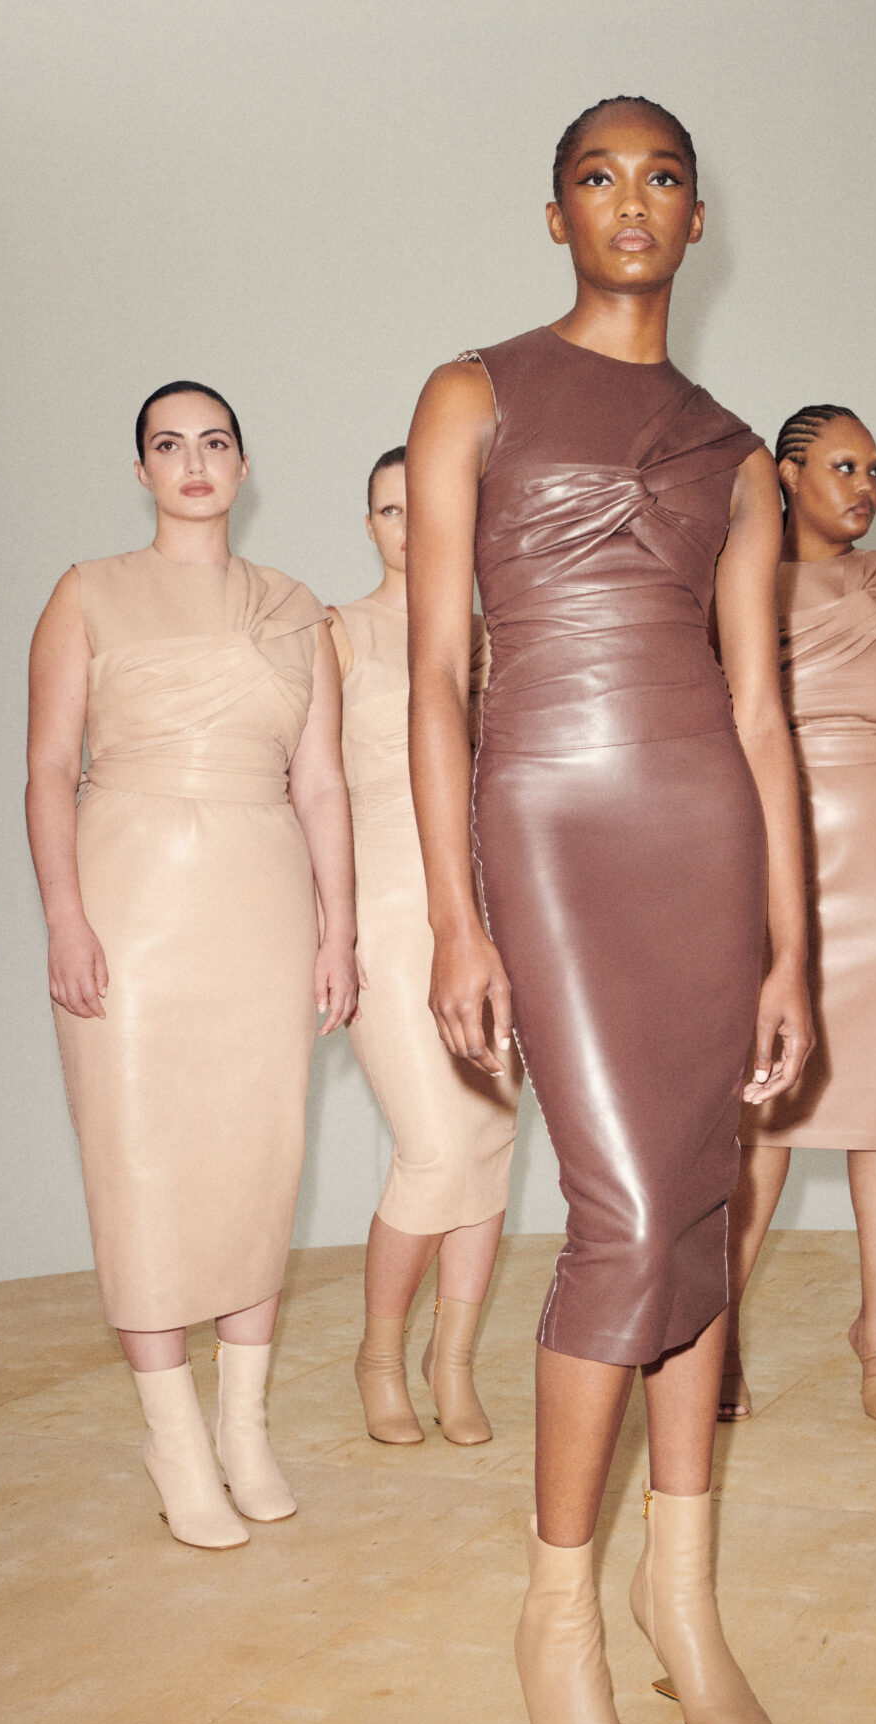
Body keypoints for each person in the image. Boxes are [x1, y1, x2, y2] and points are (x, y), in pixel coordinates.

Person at [404, 97, 812, 1724]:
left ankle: (681, 1599)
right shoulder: (473, 393)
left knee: (699, 1210)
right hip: (550, 824)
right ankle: (557, 1618)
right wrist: (452, 911)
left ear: (698, 219)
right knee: (625, 1219)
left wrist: (791, 955)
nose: (630, 201)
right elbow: (439, 673)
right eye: (598, 176)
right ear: (554, 212)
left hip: (704, 825)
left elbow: (762, 715)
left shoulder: (740, 452)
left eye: (661, 178)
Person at [26, 381, 359, 1551]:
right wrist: (65, 918)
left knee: (259, 1156)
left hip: (260, 899)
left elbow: (321, 784)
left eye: (214, 442)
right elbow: (47, 767)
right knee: (140, 1164)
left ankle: (243, 1429)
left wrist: (339, 931)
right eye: (168, 446)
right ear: (142, 472)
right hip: (126, 896)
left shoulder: (297, 610)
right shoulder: (86, 592)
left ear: (243, 464)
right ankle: (172, 1439)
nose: (194, 462)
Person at [728, 405, 876, 1426]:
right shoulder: (734, 586)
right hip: (778, 874)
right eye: (843, 466)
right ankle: (716, 1332)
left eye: (874, 470)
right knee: (760, 1117)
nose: (865, 487)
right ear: (787, 475)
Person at [329, 449, 520, 1447]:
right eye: (389, 510)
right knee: (435, 1148)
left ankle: (452, 1362)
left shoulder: (494, 641)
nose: (409, 526)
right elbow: (306, 790)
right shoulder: (337, 633)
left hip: (491, 914)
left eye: (427, 508)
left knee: (488, 1141)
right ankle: (377, 1352)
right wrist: (327, 929)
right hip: (385, 912)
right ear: (369, 524)